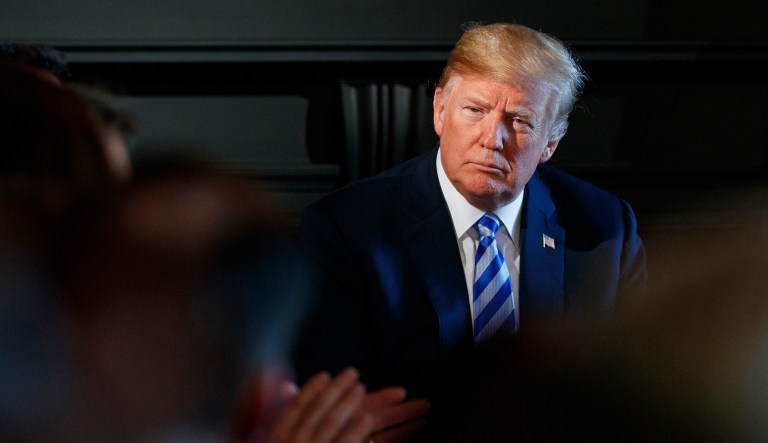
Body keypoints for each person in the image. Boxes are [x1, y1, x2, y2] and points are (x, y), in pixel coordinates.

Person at [293, 21, 648, 408]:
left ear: (550, 143)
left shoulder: (604, 227)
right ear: (440, 111)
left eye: (520, 121)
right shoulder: (346, 227)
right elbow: (327, 400)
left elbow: (640, 381)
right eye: (475, 110)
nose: (491, 138)